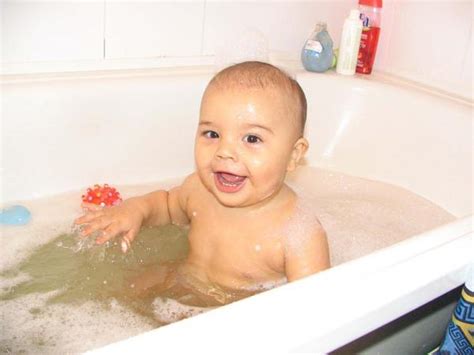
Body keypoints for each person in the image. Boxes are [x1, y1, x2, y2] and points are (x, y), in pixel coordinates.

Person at [75, 61, 330, 315]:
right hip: (179, 284)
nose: (224, 151)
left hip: (236, 315)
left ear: (294, 155)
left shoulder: (299, 233)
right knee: (110, 299)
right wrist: (135, 209)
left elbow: (311, 312)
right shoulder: (198, 190)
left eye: (252, 139)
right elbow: (165, 204)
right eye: (212, 134)